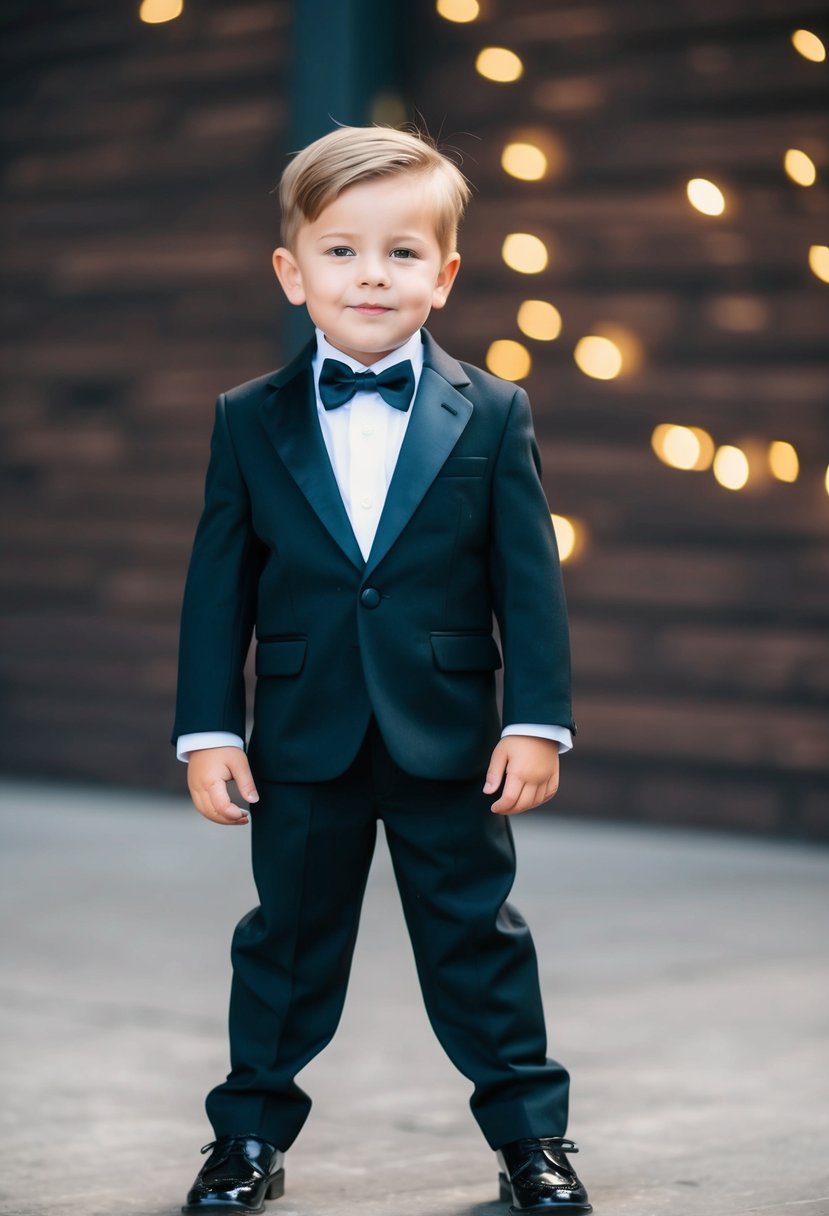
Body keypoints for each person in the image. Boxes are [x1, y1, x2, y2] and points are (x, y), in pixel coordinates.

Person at [173, 124, 591, 1215]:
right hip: (302, 738)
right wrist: (209, 729)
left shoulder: (493, 411)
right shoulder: (247, 419)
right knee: (286, 945)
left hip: (449, 733)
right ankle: (247, 1140)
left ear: (445, 274)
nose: (372, 274)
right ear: (292, 272)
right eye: (341, 251)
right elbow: (218, 585)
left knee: (477, 939)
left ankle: (531, 1139)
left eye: (403, 252)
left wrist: (535, 718)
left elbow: (527, 578)